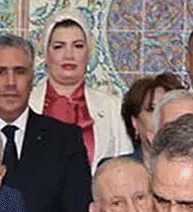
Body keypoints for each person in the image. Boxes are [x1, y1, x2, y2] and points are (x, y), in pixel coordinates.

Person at [0, 34, 94, 212]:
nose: (11, 83)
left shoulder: (65, 140)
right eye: (0, 72)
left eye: (20, 72)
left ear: (32, 79)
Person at [30, 15, 129, 165]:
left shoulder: (113, 107)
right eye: (59, 47)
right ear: (45, 53)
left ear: (88, 54)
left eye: (78, 46)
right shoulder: (26, 104)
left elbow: (125, 166)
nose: (69, 55)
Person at [121, 73, 185, 158]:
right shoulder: (116, 165)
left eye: (168, 109)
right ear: (134, 122)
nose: (162, 117)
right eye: (152, 109)